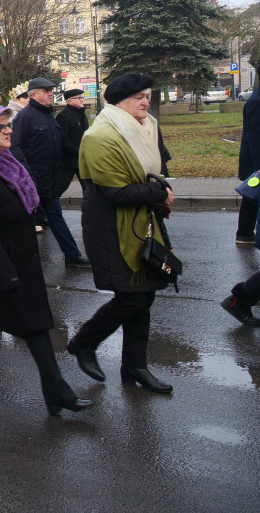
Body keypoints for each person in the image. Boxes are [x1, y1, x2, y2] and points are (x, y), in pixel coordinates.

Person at [0, 101, 93, 415]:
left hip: (18, 260)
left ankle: (58, 393)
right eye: (2, 126)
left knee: (36, 326)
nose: (9, 131)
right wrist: (3, 270)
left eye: (8, 124)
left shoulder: (5, 162)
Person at [66, 73, 177, 394]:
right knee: (131, 298)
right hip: (110, 229)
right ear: (119, 101)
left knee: (145, 295)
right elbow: (116, 193)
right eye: (138, 97)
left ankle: (135, 367)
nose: (145, 101)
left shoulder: (147, 127)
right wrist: (159, 193)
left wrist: (160, 192)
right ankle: (84, 343)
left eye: (147, 95)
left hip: (141, 224)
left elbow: (155, 174)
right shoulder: (101, 135)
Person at [10, 77, 89, 267]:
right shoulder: (25, 116)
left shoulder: (49, 115)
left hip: (50, 178)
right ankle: (16, 261)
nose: (51, 94)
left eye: (51, 91)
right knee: (21, 222)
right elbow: (15, 147)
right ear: (34, 94)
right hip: (32, 180)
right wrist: (27, 175)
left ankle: (72, 255)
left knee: (56, 216)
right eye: (46, 91)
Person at [235, 87, 260, 244]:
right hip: (255, 159)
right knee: (252, 193)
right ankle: (245, 233)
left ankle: (245, 233)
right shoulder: (257, 101)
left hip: (254, 161)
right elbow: (256, 136)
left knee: (251, 194)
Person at [56, 88, 89, 194]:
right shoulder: (64, 116)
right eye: (79, 98)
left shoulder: (82, 114)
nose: (82, 100)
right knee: (60, 187)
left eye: (82, 97)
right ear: (70, 101)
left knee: (89, 190)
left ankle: (89, 210)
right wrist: (78, 151)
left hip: (82, 160)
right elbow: (63, 139)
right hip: (69, 161)